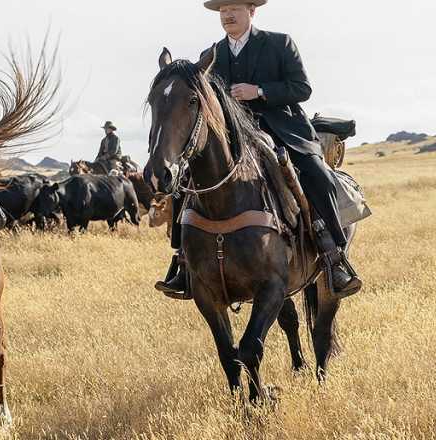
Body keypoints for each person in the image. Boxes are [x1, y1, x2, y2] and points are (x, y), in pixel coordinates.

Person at [155, 0, 362, 299]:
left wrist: (260, 91)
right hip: (234, 138)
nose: (227, 15)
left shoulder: (279, 43)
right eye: (223, 10)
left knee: (317, 174)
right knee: (184, 182)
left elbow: (302, 88)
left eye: (234, 9)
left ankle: (334, 257)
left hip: (284, 131)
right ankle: (182, 264)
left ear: (252, 11)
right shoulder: (210, 56)